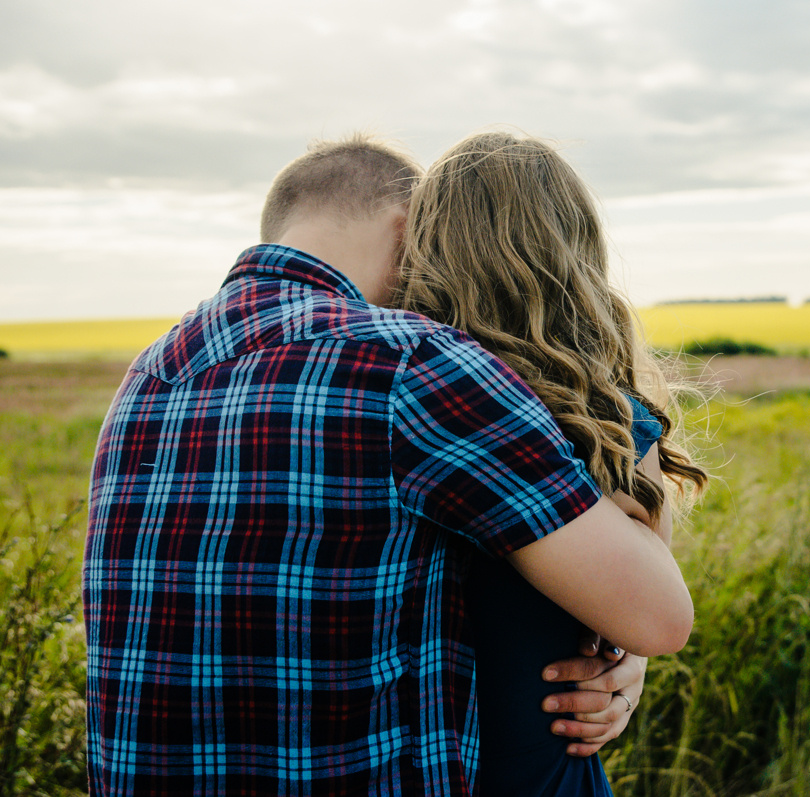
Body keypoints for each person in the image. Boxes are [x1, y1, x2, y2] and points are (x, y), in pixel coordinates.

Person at [83, 135, 692, 796]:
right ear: (408, 230)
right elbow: (656, 613)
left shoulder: (148, 374)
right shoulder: (411, 364)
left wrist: (616, 653)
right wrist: (625, 653)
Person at [393, 130, 708, 796]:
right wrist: (628, 667)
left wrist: (627, 669)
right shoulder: (612, 424)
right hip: (543, 769)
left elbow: (637, 625)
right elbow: (638, 612)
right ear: (577, 253)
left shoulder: (403, 402)